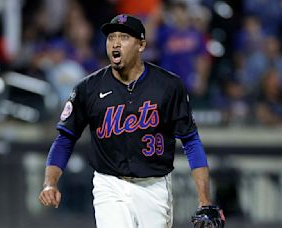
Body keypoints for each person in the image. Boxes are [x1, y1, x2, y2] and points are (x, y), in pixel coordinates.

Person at [38, 14, 225, 228]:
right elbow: (65, 139)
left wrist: (204, 200)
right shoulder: (88, 88)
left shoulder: (168, 85)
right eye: (111, 37)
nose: (115, 43)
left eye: (124, 37)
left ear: (141, 45)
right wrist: (49, 183)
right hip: (109, 184)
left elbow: (191, 141)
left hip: (154, 186)